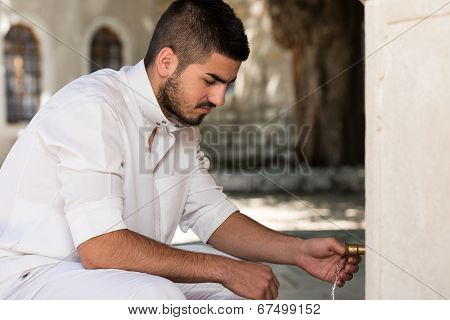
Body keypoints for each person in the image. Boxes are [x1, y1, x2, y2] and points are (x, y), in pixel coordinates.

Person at [0, 0, 360, 300]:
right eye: (211, 81)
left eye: (227, 85)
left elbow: (212, 215)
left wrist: (298, 252)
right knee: (157, 298)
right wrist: (224, 268)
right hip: (32, 275)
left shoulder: (181, 125)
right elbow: (101, 248)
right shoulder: (93, 107)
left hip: (109, 275)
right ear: (167, 62)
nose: (219, 98)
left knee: (239, 291)